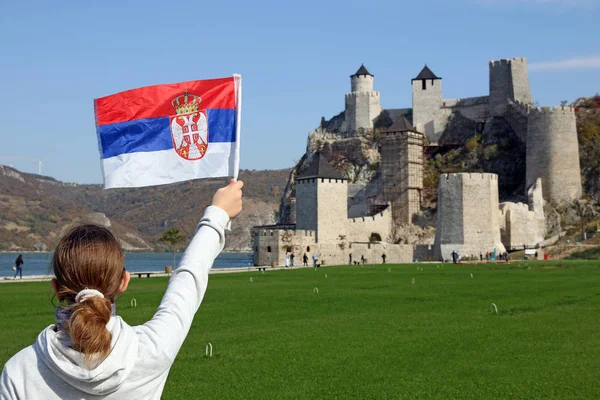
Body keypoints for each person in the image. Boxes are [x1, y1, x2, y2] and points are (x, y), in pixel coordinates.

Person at [0, 180, 243, 399]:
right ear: (124, 282)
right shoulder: (151, 350)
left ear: (57, 288)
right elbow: (188, 279)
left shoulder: (19, 371)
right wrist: (217, 215)